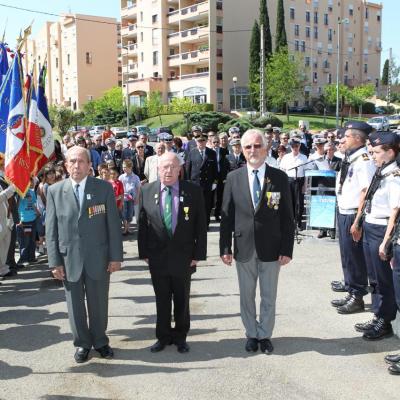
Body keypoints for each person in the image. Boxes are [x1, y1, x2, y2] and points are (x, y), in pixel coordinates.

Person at [46, 145, 123, 363]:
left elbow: (113, 226)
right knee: (75, 306)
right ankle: (82, 344)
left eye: (81, 161)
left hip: (98, 258)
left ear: (90, 165)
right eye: (72, 161)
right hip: (68, 259)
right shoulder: (54, 191)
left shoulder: (104, 188)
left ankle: (100, 341)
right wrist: (54, 262)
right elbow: (50, 229)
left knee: (99, 303)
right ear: (66, 165)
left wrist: (115, 257)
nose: (76, 165)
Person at [220, 129, 294, 353]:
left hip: (272, 247)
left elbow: (287, 216)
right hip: (244, 247)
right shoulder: (233, 178)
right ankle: (251, 333)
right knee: (247, 295)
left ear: (266, 148)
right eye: (248, 147)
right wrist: (225, 246)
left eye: (257, 145)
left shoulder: (279, 177)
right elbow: (226, 215)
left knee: (269, 295)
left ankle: (265, 335)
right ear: (242, 151)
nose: (253, 150)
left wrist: (287, 248)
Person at [138, 152, 207, 354]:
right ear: (157, 170)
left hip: (184, 256)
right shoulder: (147, 190)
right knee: (161, 298)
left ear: (179, 169)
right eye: (164, 167)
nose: (168, 171)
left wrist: (198, 254)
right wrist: (144, 252)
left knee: (182, 299)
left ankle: (180, 337)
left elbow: (200, 226)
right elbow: (143, 224)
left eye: (172, 167)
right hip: (157, 256)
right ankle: (162, 336)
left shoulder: (193, 191)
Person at [353, 131, 399, 341]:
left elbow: (395, 211)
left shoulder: (394, 177)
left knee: (384, 280)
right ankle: (378, 314)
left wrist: (386, 240)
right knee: (375, 278)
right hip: (371, 226)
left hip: (381, 230)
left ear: (390, 152)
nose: (373, 155)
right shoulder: (381, 172)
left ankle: (385, 320)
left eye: (377, 152)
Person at [332, 121, 376, 315]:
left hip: (352, 213)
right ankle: (351, 289)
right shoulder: (351, 157)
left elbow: (366, 191)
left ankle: (357, 295)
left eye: (347, 136)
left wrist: (358, 220)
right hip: (344, 210)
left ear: (358, 139)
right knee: (347, 255)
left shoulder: (364, 160)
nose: (343, 139)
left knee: (354, 257)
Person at [185, 133, 218, 228]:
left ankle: (205, 223)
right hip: (195, 184)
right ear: (196, 142)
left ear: (206, 141)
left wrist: (215, 182)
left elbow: (215, 169)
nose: (201, 142)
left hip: (207, 184)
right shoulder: (192, 152)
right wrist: (188, 183)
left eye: (203, 140)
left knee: (207, 205)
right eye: (199, 141)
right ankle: (195, 224)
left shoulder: (212, 153)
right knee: (195, 205)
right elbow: (188, 169)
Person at [279, 137, 308, 230]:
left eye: (297, 146)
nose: (295, 148)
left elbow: (306, 173)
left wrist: (305, 185)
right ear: (290, 147)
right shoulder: (286, 157)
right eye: (293, 146)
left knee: (299, 203)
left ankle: (298, 222)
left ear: (299, 146)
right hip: (289, 181)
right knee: (289, 202)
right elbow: (282, 171)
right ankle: (290, 222)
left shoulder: (304, 157)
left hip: (300, 181)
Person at [16, 178, 40, 265]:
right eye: (30, 181)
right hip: (24, 220)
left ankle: (31, 257)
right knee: (25, 240)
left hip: (33, 219)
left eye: (32, 181)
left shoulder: (32, 192)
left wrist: (37, 212)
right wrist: (19, 219)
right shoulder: (19, 192)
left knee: (32, 240)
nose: (32, 183)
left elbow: (33, 203)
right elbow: (17, 206)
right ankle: (23, 258)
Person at [119, 159, 141, 235]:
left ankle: (128, 227)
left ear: (130, 167)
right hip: (123, 198)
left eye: (125, 167)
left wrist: (137, 198)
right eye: (123, 167)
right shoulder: (121, 177)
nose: (123, 168)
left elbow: (138, 188)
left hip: (132, 199)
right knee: (123, 213)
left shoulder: (136, 177)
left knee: (130, 214)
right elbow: (119, 188)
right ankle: (125, 228)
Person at [212, 136, 229, 222]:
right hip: (212, 177)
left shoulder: (224, 151)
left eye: (217, 142)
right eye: (214, 142)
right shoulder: (209, 151)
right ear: (211, 143)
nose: (216, 144)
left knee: (220, 196)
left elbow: (227, 165)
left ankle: (217, 214)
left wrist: (225, 177)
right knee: (211, 196)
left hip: (221, 176)